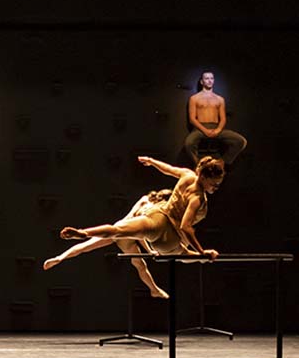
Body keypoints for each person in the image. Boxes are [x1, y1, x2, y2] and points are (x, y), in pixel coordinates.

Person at [59, 156, 225, 261]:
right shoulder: (197, 198)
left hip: (157, 216)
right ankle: (203, 257)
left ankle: (84, 232)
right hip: (169, 237)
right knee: (185, 255)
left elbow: (168, 169)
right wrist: (201, 251)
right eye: (214, 184)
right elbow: (186, 227)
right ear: (203, 177)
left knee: (117, 229)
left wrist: (152, 162)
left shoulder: (187, 175)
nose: (216, 188)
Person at [43, 189, 173, 299]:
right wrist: (149, 251)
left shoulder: (144, 200)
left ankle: (60, 257)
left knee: (85, 247)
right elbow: (141, 232)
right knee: (140, 265)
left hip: (119, 227)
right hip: (128, 233)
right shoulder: (150, 208)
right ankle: (154, 289)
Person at [184, 70, 246, 164]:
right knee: (189, 143)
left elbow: (223, 118)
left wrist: (218, 130)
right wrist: (205, 130)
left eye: (212, 78)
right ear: (202, 81)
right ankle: (199, 165)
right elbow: (192, 119)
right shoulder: (194, 98)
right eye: (207, 78)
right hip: (200, 129)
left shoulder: (220, 99)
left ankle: (221, 163)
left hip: (216, 128)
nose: (209, 80)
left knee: (241, 141)